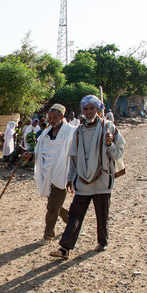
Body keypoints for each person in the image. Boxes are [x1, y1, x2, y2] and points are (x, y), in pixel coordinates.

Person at [50, 95, 125, 259]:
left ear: (98, 110)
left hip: (102, 178)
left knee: (102, 213)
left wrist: (109, 144)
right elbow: (74, 158)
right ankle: (65, 248)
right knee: (75, 214)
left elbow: (118, 154)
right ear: (82, 111)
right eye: (86, 109)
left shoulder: (108, 128)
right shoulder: (79, 131)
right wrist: (70, 177)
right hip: (83, 179)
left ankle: (102, 242)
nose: (89, 112)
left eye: (92, 108)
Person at [24, 103, 77, 245]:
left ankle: (48, 235)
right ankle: (72, 221)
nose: (51, 121)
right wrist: (31, 154)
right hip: (47, 174)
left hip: (63, 173)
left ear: (62, 117)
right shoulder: (46, 134)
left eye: (54, 118)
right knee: (54, 204)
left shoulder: (72, 132)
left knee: (52, 207)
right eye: (50, 118)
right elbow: (40, 151)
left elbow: (76, 151)